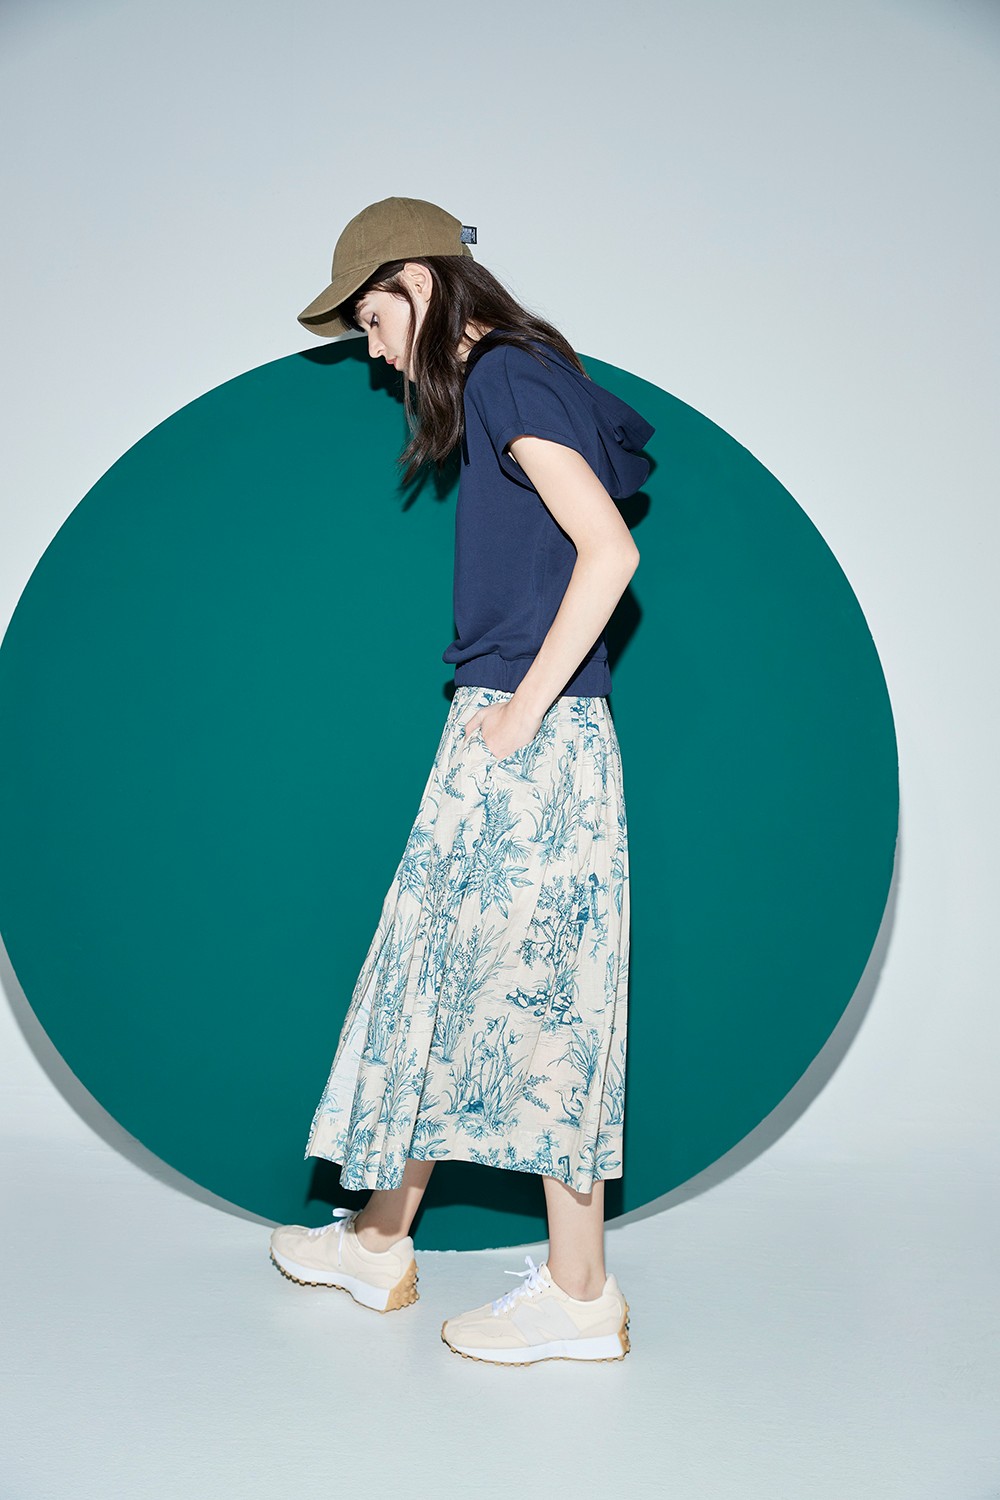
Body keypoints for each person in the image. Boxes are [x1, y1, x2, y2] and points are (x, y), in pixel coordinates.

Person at [269, 196, 655, 1366]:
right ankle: (380, 1238)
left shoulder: (504, 377)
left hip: (527, 730)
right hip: (519, 728)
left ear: (419, 284)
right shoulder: (523, 378)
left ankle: (578, 1293)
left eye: (371, 316)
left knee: (541, 1001)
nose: (371, 349)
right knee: (443, 980)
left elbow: (611, 550)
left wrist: (522, 711)